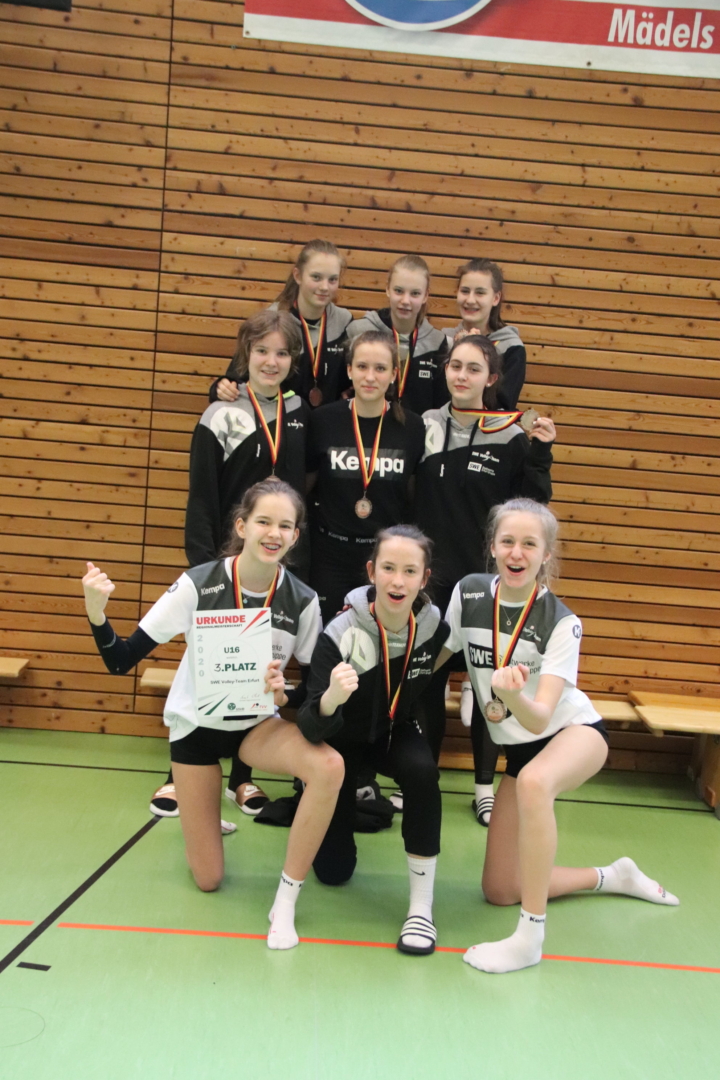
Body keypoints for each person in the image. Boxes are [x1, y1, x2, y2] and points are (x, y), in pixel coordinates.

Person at [83, 480, 344, 951]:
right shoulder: (198, 583)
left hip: (255, 728)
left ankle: (285, 900)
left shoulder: (302, 600)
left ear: (296, 536)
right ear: (242, 526)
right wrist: (96, 613)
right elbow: (121, 660)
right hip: (197, 732)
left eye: (285, 525)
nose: (274, 533)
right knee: (208, 879)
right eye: (263, 521)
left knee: (329, 765)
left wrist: (283, 691)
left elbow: (310, 690)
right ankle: (201, 817)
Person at [439, 498, 679, 974]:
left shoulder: (562, 622)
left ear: (546, 554)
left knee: (534, 782)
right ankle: (612, 876)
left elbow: (538, 718)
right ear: (492, 546)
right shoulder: (468, 594)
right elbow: (435, 655)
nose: (517, 552)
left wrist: (512, 695)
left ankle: (530, 938)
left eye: (530, 544)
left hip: (572, 734)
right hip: (520, 751)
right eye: (508, 541)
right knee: (499, 889)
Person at [153, 310, 310, 819]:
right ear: (245, 354)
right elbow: (202, 495)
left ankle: (242, 778)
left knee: (258, 670)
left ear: (294, 360)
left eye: (282, 353)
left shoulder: (299, 411)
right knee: (207, 667)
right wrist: (205, 566)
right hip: (225, 563)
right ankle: (179, 773)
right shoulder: (219, 413)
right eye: (261, 351)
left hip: (272, 564)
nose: (271, 361)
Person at [415, 333, 555, 826]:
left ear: (492, 378)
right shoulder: (424, 425)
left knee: (487, 686)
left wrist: (541, 452)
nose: (462, 376)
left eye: (474, 369)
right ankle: (423, 781)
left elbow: (532, 503)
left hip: (482, 582)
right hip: (430, 582)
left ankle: (482, 789)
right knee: (427, 684)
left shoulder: (510, 435)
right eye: (455, 366)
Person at [298, 525, 450, 955]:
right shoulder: (340, 632)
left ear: (424, 578)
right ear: (371, 572)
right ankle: (334, 801)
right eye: (388, 568)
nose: (398, 581)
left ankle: (421, 907)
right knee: (334, 872)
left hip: (392, 732)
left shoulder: (433, 628)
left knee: (423, 772)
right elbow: (308, 725)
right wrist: (331, 698)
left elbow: (427, 690)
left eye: (410, 571)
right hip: (340, 742)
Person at [306, 329, 426, 625]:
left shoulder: (412, 427)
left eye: (380, 368)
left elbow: (413, 497)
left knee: (378, 641)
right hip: (330, 557)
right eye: (362, 366)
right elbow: (306, 487)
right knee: (327, 639)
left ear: (394, 374)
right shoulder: (323, 420)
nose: (370, 377)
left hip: (386, 559)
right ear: (349, 370)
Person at [211, 240, 353, 408]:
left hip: (326, 423)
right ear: (298, 276)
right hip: (281, 422)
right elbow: (236, 377)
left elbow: (353, 377)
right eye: (316, 277)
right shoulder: (272, 321)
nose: (324, 287)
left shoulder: (344, 322)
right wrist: (222, 387)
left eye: (332, 279)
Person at [347, 254, 448, 415]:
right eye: (399, 291)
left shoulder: (436, 341)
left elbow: (440, 403)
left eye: (415, 293)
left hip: (418, 428)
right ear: (388, 289)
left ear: (425, 295)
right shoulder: (359, 331)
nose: (405, 300)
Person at [444, 258, 526, 411]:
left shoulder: (511, 347)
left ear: (495, 298)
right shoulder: (443, 340)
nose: (470, 300)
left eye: (480, 293)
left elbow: (503, 407)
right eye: (465, 291)